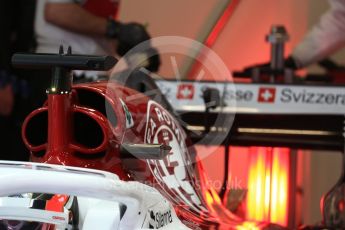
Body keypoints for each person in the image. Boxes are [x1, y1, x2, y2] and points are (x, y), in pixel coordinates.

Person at [32, 0, 160, 106]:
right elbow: (56, 11)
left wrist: (130, 48)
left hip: (88, 73)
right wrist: (115, 29)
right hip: (62, 71)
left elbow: (94, 29)